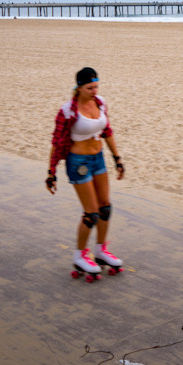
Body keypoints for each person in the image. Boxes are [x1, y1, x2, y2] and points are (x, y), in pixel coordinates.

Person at [46, 67, 126, 278]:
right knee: (91, 214)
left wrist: (117, 159)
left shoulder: (100, 102)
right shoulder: (68, 111)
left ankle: (101, 250)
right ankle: (80, 256)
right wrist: (51, 172)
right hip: (78, 162)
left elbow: (107, 131)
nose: (94, 90)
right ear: (79, 87)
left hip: (98, 159)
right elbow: (56, 142)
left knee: (105, 208)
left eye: (96, 86)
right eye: (89, 87)